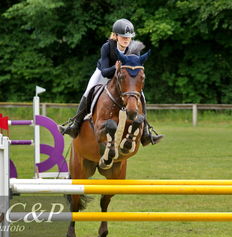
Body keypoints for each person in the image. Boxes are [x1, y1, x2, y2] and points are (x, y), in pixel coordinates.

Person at [59, 18, 163, 146]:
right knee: (88, 90)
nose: (126, 39)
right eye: (123, 36)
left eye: (129, 37)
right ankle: (75, 125)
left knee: (141, 95)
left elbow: (134, 71)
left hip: (123, 78)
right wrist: (116, 68)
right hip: (104, 73)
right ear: (115, 36)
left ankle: (146, 132)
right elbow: (105, 72)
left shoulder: (134, 48)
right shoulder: (107, 47)